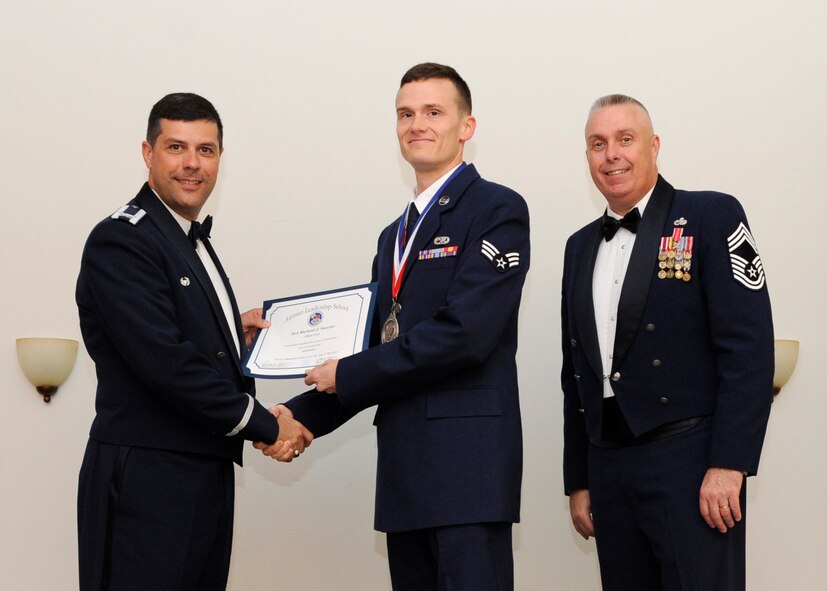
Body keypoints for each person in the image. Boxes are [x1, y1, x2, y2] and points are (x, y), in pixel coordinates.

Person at [259, 63, 530, 590]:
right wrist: (292, 417)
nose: (417, 124)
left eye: (433, 112)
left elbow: (465, 334)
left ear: (466, 127)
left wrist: (349, 373)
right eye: (406, 114)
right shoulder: (394, 236)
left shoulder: (497, 208)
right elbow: (372, 347)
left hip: (467, 474)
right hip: (406, 475)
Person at [76, 92, 309, 591]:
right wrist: (267, 425)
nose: (191, 164)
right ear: (147, 153)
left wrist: (228, 331)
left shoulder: (184, 237)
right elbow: (167, 362)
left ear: (220, 158)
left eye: (206, 150)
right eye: (176, 147)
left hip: (201, 470)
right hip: (148, 477)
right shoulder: (122, 240)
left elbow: (178, 336)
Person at [560, 94, 773, 590]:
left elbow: (748, 349)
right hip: (607, 466)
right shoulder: (578, 246)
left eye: (624, 140)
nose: (611, 154)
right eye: (597, 144)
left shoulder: (710, 215)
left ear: (654, 146)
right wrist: (580, 478)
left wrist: (730, 463)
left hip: (690, 463)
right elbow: (575, 373)